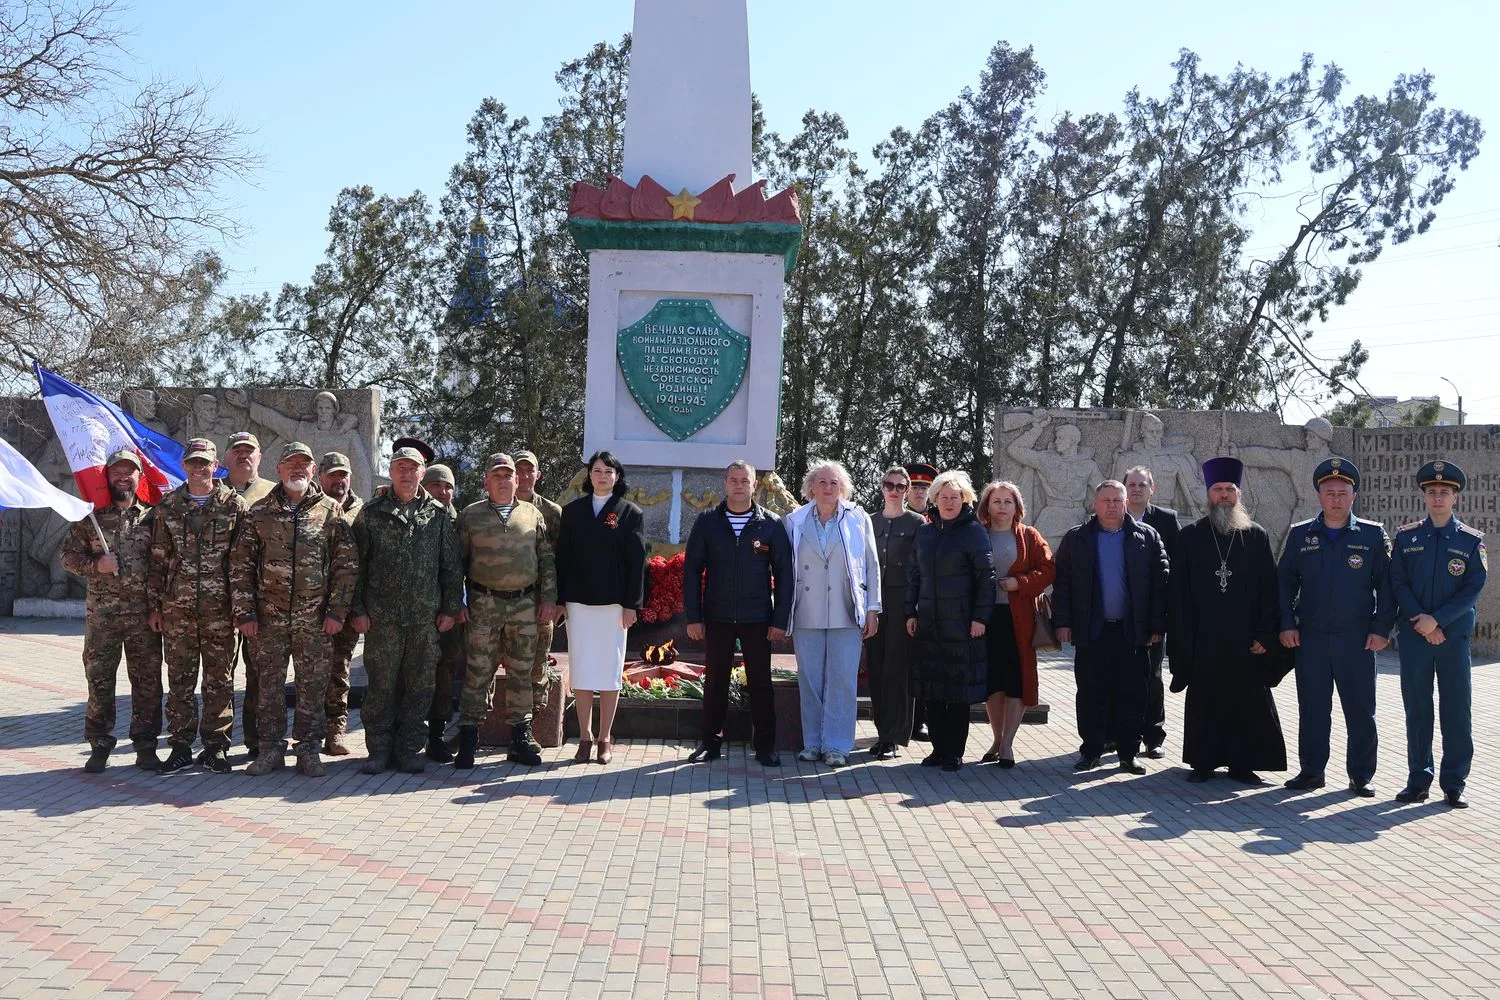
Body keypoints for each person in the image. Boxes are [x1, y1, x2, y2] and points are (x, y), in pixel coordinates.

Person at [230, 442, 359, 777]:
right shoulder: (259, 512)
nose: (297, 469)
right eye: (291, 464)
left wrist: (337, 612)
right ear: (279, 469)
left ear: (313, 470)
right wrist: (245, 613)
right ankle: (270, 750)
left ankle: (308, 751)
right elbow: (241, 565)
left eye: (304, 464)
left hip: (315, 620)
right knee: (268, 688)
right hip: (268, 620)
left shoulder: (330, 511)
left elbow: (345, 567)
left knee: (312, 688)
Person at [1277, 458, 1395, 797]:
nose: (1336, 499)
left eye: (1343, 493)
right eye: (1329, 493)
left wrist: (1381, 629)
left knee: (1360, 710)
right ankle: (1312, 771)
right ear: (1319, 496)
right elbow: (1284, 583)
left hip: (1356, 639)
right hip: (1311, 637)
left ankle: (1361, 775)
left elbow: (1388, 587)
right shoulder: (1301, 534)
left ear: (1354, 496)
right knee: (1313, 708)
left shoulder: (1372, 535)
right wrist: (1287, 623)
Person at [1167, 457, 1288, 784]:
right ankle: (1203, 762)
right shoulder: (1190, 537)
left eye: (1230, 489)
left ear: (1238, 494)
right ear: (1208, 494)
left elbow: (1269, 589)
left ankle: (1243, 764)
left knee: (1246, 702)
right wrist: (1183, 641)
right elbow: (1178, 594)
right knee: (1205, 701)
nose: (1224, 495)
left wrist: (1265, 634)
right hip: (1203, 639)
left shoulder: (1256, 536)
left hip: (1246, 640)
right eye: (1218, 489)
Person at [349, 445, 463, 775]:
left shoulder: (438, 515)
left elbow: (451, 567)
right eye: (400, 467)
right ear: (391, 471)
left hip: (425, 619)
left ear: (422, 473)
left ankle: (409, 749)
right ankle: (378, 750)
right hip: (382, 618)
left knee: (420, 686)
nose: (406, 473)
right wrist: (357, 608)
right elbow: (356, 566)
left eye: (413, 468)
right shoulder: (372, 513)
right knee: (381, 686)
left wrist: (450, 609)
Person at [683, 460, 794, 766]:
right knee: (715, 682)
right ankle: (710, 744)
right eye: (733, 480)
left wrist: (779, 620)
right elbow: (692, 570)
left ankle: (765, 746)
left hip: (757, 617)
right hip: (717, 616)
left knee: (760, 682)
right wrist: (694, 617)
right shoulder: (707, 521)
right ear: (725, 482)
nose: (739, 485)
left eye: (745, 481)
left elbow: (784, 575)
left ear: (754, 485)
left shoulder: (770, 524)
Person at [1390, 460, 1488, 808]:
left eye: (1444, 492)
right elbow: (1398, 582)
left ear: (1455, 498)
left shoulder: (1471, 541)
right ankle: (1419, 780)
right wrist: (1422, 621)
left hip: (1452, 639)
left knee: (1456, 711)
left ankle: (1454, 782)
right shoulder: (1407, 538)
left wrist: (1439, 621)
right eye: (1432, 492)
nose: (1437, 497)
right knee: (1418, 710)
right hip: (1416, 636)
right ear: (1424, 496)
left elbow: (1473, 588)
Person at [1052, 481, 1168, 773]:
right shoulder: (1077, 538)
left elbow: (1160, 584)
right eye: (1106, 500)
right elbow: (1062, 583)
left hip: (1132, 632)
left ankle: (1128, 754)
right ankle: (1090, 751)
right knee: (1091, 693)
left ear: (1126, 503)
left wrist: (1157, 625)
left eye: (1117, 500)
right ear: (1096, 504)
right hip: (1093, 631)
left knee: (1132, 695)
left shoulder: (1147, 537)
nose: (1112, 505)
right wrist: (1062, 622)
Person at [147, 439, 248, 774]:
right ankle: (180, 746)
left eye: (204, 463)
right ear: (184, 466)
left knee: (219, 679)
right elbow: (158, 559)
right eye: (193, 463)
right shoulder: (169, 506)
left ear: (215, 465)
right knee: (180, 680)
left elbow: (243, 561)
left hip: (221, 610)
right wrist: (155, 606)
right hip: (178, 609)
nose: (198, 469)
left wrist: (242, 608)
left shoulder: (234, 505)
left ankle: (216, 747)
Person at [60, 449, 163, 772]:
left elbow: (162, 568)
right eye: (116, 471)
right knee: (100, 681)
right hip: (103, 617)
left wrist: (157, 609)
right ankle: (99, 744)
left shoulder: (152, 518)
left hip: (143, 618)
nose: (122, 477)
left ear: (138, 477)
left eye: (129, 471)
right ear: (107, 476)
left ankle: (145, 744)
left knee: (147, 683)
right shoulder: (91, 518)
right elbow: (68, 557)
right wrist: (97, 566)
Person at [454, 453, 558, 769]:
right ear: (486, 481)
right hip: (483, 604)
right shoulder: (470, 516)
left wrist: (548, 599)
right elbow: (456, 563)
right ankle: (469, 737)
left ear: (516, 480)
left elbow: (546, 560)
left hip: (524, 606)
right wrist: (457, 601)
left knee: (521, 671)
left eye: (508, 475)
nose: (503, 481)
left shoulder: (532, 514)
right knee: (478, 671)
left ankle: (520, 738)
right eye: (497, 476)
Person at [784, 460, 881, 768]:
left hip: (846, 610)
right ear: (811, 487)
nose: (828, 488)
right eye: (822, 482)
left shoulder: (858, 518)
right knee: (810, 680)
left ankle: (837, 745)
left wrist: (873, 608)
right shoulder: (794, 520)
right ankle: (813, 743)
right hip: (806, 611)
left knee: (842, 680)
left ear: (843, 488)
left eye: (834, 483)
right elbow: (785, 569)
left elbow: (871, 565)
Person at [556, 451, 646, 765]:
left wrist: (632, 604)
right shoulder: (573, 511)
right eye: (597, 470)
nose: (603, 476)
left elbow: (637, 563)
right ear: (589, 475)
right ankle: (584, 737)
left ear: (617, 477)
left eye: (609, 471)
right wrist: (559, 600)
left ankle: (605, 737)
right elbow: (562, 559)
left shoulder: (629, 512)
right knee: (582, 670)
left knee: (609, 672)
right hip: (578, 603)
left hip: (613, 605)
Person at [904, 470, 994, 771]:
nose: (949, 502)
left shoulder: (974, 532)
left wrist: (980, 618)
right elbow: (914, 575)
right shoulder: (926, 532)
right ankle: (937, 749)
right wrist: (910, 612)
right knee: (932, 690)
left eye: (955, 497)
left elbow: (986, 578)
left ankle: (954, 752)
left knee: (957, 691)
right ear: (935, 500)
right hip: (929, 624)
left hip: (962, 625)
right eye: (944, 497)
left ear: (964, 499)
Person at [975, 480, 1055, 767]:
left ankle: (1008, 743)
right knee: (993, 683)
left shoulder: (1029, 536)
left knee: (1016, 680)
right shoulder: (978, 534)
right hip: (985, 619)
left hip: (1018, 618)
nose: (1002, 506)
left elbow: (1048, 570)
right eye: (996, 501)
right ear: (987, 506)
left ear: (1017, 506)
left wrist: (1019, 583)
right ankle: (997, 739)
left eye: (1008, 501)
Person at [866, 466, 925, 759]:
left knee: (897, 670)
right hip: (874, 604)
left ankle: (894, 737)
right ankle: (882, 732)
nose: (894, 490)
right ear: (882, 487)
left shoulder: (917, 523)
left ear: (907, 490)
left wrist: (915, 609)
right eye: (889, 485)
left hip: (902, 603)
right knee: (876, 668)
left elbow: (920, 568)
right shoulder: (869, 521)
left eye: (900, 486)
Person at [223, 430, 275, 756]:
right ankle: (219, 743)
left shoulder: (274, 493)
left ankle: (256, 741)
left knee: (259, 673)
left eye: (249, 451)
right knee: (221, 675)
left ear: (260, 457)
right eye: (237, 451)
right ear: (226, 457)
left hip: (263, 601)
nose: (243, 456)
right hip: (219, 600)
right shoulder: (211, 492)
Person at [1123, 466, 1180, 758]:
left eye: (1142, 484)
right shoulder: (1111, 515)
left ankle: (1153, 736)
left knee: (1152, 676)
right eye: (1131, 484)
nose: (1136, 489)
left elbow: (1177, 566)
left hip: (1152, 613)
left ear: (1152, 489)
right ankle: (1115, 735)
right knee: (1117, 675)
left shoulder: (1166, 520)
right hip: (1118, 612)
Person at [513, 449, 563, 727]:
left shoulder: (552, 512)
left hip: (539, 600)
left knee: (537, 661)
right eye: (518, 470)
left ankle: (534, 723)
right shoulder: (493, 507)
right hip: (500, 602)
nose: (523, 476)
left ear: (538, 474)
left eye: (529, 470)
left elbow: (559, 559)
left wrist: (554, 599)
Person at [318, 450, 364, 756]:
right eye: (333, 475)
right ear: (321, 477)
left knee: (339, 669)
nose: (339, 480)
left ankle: (335, 730)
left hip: (347, 606)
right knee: (309, 672)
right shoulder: (311, 506)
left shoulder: (363, 511)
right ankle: (308, 731)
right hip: (311, 604)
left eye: (343, 475)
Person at [421, 463, 464, 761]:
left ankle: (436, 735)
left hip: (451, 611)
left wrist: (459, 605)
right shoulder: (418, 518)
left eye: (448, 486)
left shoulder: (461, 522)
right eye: (436, 485)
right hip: (419, 609)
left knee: (445, 674)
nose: (443, 491)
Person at [904, 461, 938, 743]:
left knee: (927, 664)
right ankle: (901, 721)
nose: (918, 492)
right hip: (899, 598)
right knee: (901, 664)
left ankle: (922, 720)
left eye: (924, 488)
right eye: (914, 487)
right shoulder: (895, 517)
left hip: (928, 601)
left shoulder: (937, 521)